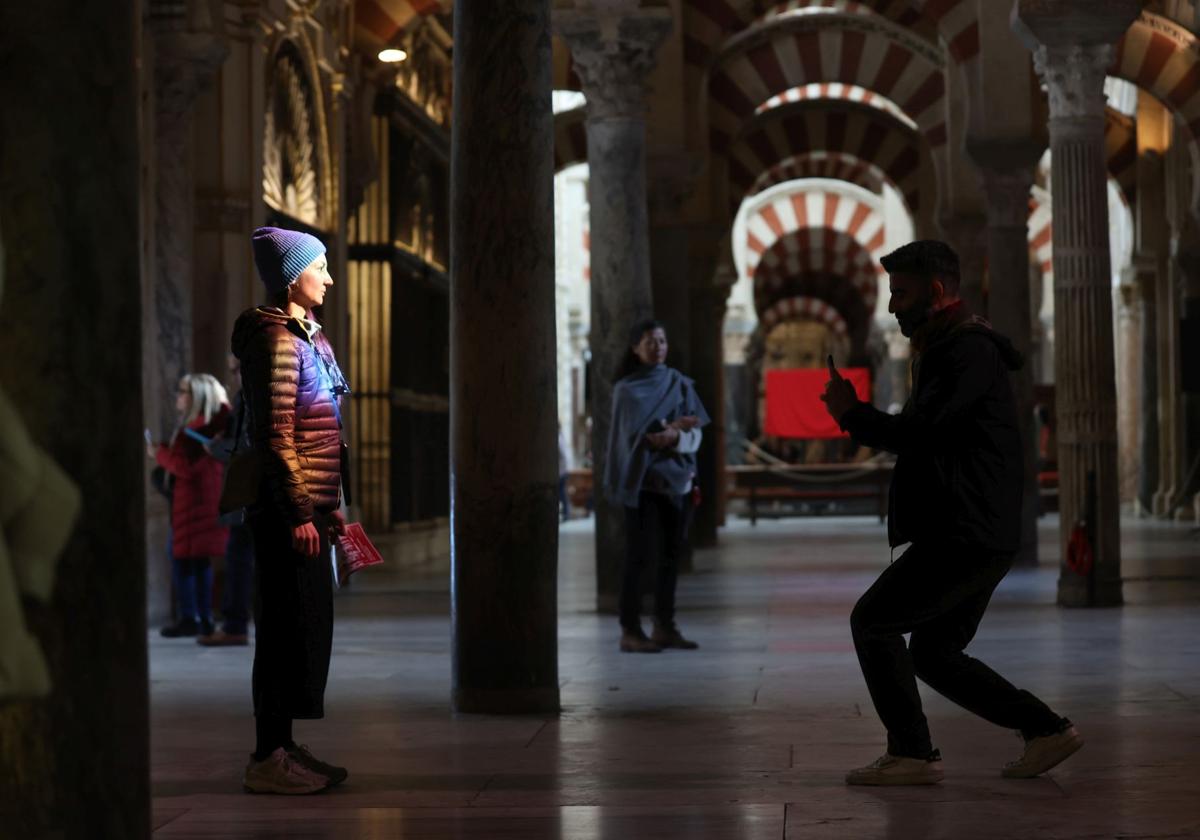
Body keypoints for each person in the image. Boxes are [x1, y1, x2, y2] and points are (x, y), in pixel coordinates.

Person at [819, 240, 1082, 786]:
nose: (893, 306)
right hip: (975, 527)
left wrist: (852, 415)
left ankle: (912, 752)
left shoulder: (964, 352)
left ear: (936, 292)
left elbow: (922, 433)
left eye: (901, 293)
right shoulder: (950, 347)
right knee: (935, 653)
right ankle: (1045, 730)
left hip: (965, 530)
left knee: (872, 622)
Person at [232, 226, 351, 795]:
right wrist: (302, 511)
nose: (329, 278)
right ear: (291, 276)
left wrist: (331, 510)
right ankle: (266, 758)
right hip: (285, 517)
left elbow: (322, 432)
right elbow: (276, 436)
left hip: (307, 509)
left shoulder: (308, 337)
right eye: (320, 267)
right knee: (282, 632)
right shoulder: (276, 341)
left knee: (302, 630)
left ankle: (282, 745)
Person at [604, 319, 710, 653]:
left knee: (670, 556)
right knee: (638, 557)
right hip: (643, 485)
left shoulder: (679, 384)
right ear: (635, 348)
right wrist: (668, 427)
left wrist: (675, 434)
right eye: (650, 341)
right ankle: (630, 628)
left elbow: (697, 432)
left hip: (676, 483)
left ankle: (665, 625)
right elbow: (634, 439)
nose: (658, 347)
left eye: (662, 340)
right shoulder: (626, 391)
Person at [198, 354, 255, 647]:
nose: (234, 376)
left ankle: (235, 625)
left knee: (240, 559)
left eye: (236, 370)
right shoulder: (247, 395)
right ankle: (235, 622)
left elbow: (246, 445)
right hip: (247, 493)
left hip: (247, 493)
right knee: (240, 558)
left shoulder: (253, 396)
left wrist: (217, 447)